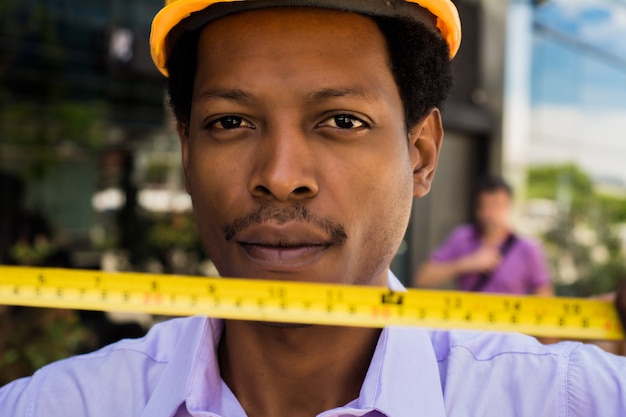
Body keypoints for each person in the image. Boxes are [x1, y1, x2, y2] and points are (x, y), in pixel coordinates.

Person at [1, 1, 625, 416]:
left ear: (422, 155)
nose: (279, 177)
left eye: (341, 121)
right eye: (231, 122)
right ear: (187, 152)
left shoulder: (564, 400)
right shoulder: (63, 405)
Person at [414, 176, 553, 295]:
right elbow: (423, 278)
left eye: (496, 206)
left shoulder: (528, 249)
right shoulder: (462, 237)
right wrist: (468, 263)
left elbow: (544, 296)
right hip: (468, 324)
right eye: (483, 206)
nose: (489, 213)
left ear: (509, 206)